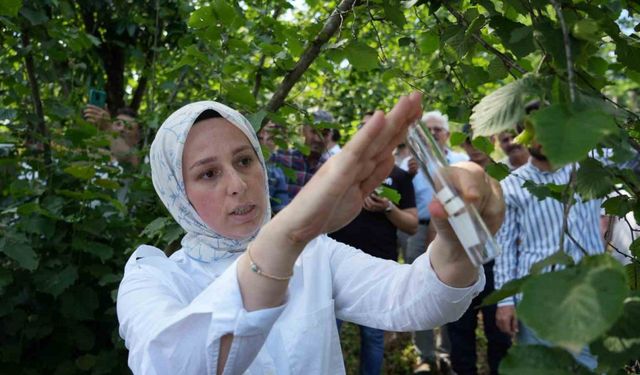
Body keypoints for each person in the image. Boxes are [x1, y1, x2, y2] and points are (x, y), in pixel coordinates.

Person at [116, 92, 505, 375]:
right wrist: (290, 235)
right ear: (175, 192)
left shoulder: (315, 253)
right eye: (208, 173)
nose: (237, 184)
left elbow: (412, 300)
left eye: (244, 160)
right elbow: (168, 363)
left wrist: (454, 248)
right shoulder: (152, 276)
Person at [494, 139, 604, 370]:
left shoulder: (589, 169)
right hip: (536, 301)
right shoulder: (513, 185)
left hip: (589, 295)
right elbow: (505, 247)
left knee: (591, 367)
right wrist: (505, 301)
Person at [329, 113, 418, 374]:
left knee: (373, 335)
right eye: (364, 129)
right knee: (328, 332)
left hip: (377, 267)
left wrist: (388, 207)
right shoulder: (340, 171)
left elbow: (412, 224)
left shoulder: (399, 177)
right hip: (337, 267)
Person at [407, 110, 468, 374]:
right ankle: (425, 354)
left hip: (454, 232)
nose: (433, 134)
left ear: (447, 134)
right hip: (417, 232)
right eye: (427, 129)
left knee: (449, 288)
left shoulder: (461, 161)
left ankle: (446, 352)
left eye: (438, 130)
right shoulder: (409, 164)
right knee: (417, 289)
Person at [448, 125, 511, 375]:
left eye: (480, 140)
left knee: (499, 330)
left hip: (499, 263)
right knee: (460, 328)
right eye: (469, 142)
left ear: (493, 139)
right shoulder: (456, 176)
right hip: (465, 261)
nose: (474, 147)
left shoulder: (508, 174)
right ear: (463, 145)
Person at [271, 110, 330, 201]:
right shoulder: (281, 158)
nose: (318, 139)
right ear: (303, 131)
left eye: (324, 134)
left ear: (330, 136)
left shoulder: (330, 169)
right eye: (314, 132)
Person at [257, 122, 290, 214]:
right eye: (259, 137)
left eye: (271, 138)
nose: (264, 141)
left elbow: (281, 210)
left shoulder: (276, 171)